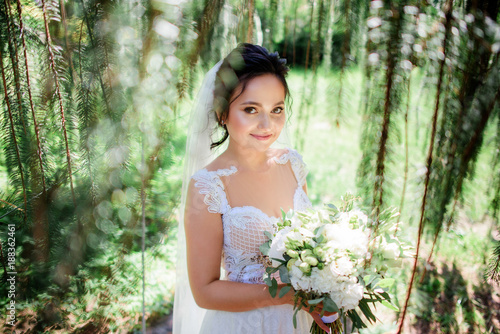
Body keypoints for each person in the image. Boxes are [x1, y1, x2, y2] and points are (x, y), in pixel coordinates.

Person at [173, 43, 337, 334]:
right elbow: (205, 291)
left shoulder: (292, 164)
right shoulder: (208, 187)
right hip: (244, 325)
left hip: (301, 320)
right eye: (251, 109)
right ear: (223, 113)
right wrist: (291, 295)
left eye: (277, 110)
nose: (267, 124)